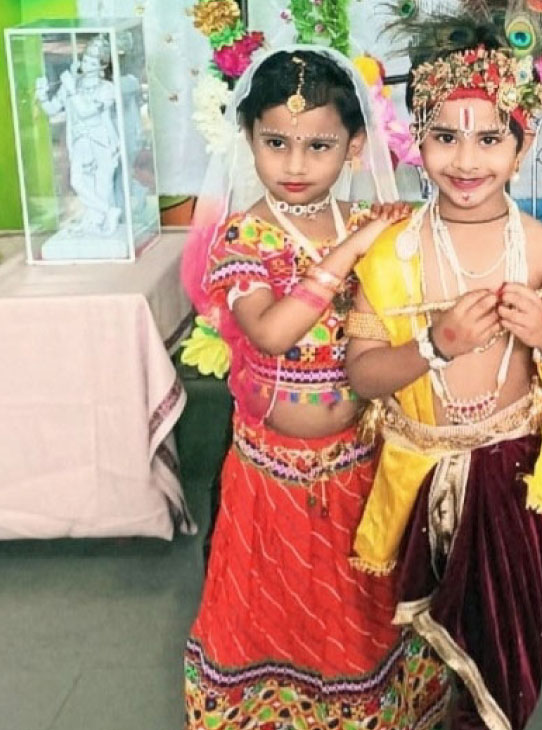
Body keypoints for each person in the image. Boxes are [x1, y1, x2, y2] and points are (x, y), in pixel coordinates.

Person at [343, 34, 542, 730]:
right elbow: (364, 375)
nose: (466, 161)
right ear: (416, 144)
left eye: (490, 138)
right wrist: (436, 344)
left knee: (507, 645)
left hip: (511, 474)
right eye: (444, 137)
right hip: (416, 469)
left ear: (520, 149)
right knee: (419, 653)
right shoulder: (391, 252)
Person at [179, 46, 449, 730]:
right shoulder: (246, 237)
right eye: (276, 143)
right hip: (271, 476)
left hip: (361, 461)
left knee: (355, 604)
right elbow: (270, 331)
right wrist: (347, 254)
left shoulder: (372, 229)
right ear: (249, 141)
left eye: (318, 145)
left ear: (354, 147)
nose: (295, 166)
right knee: (272, 603)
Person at [35, 34, 121, 235]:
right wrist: (42, 95)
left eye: (92, 62)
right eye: (85, 60)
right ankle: (108, 211)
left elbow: (87, 111)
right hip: (80, 141)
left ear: (102, 66)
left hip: (102, 142)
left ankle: (99, 220)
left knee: (102, 185)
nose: (87, 64)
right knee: (77, 181)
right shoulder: (74, 83)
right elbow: (53, 109)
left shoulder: (106, 88)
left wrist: (72, 90)